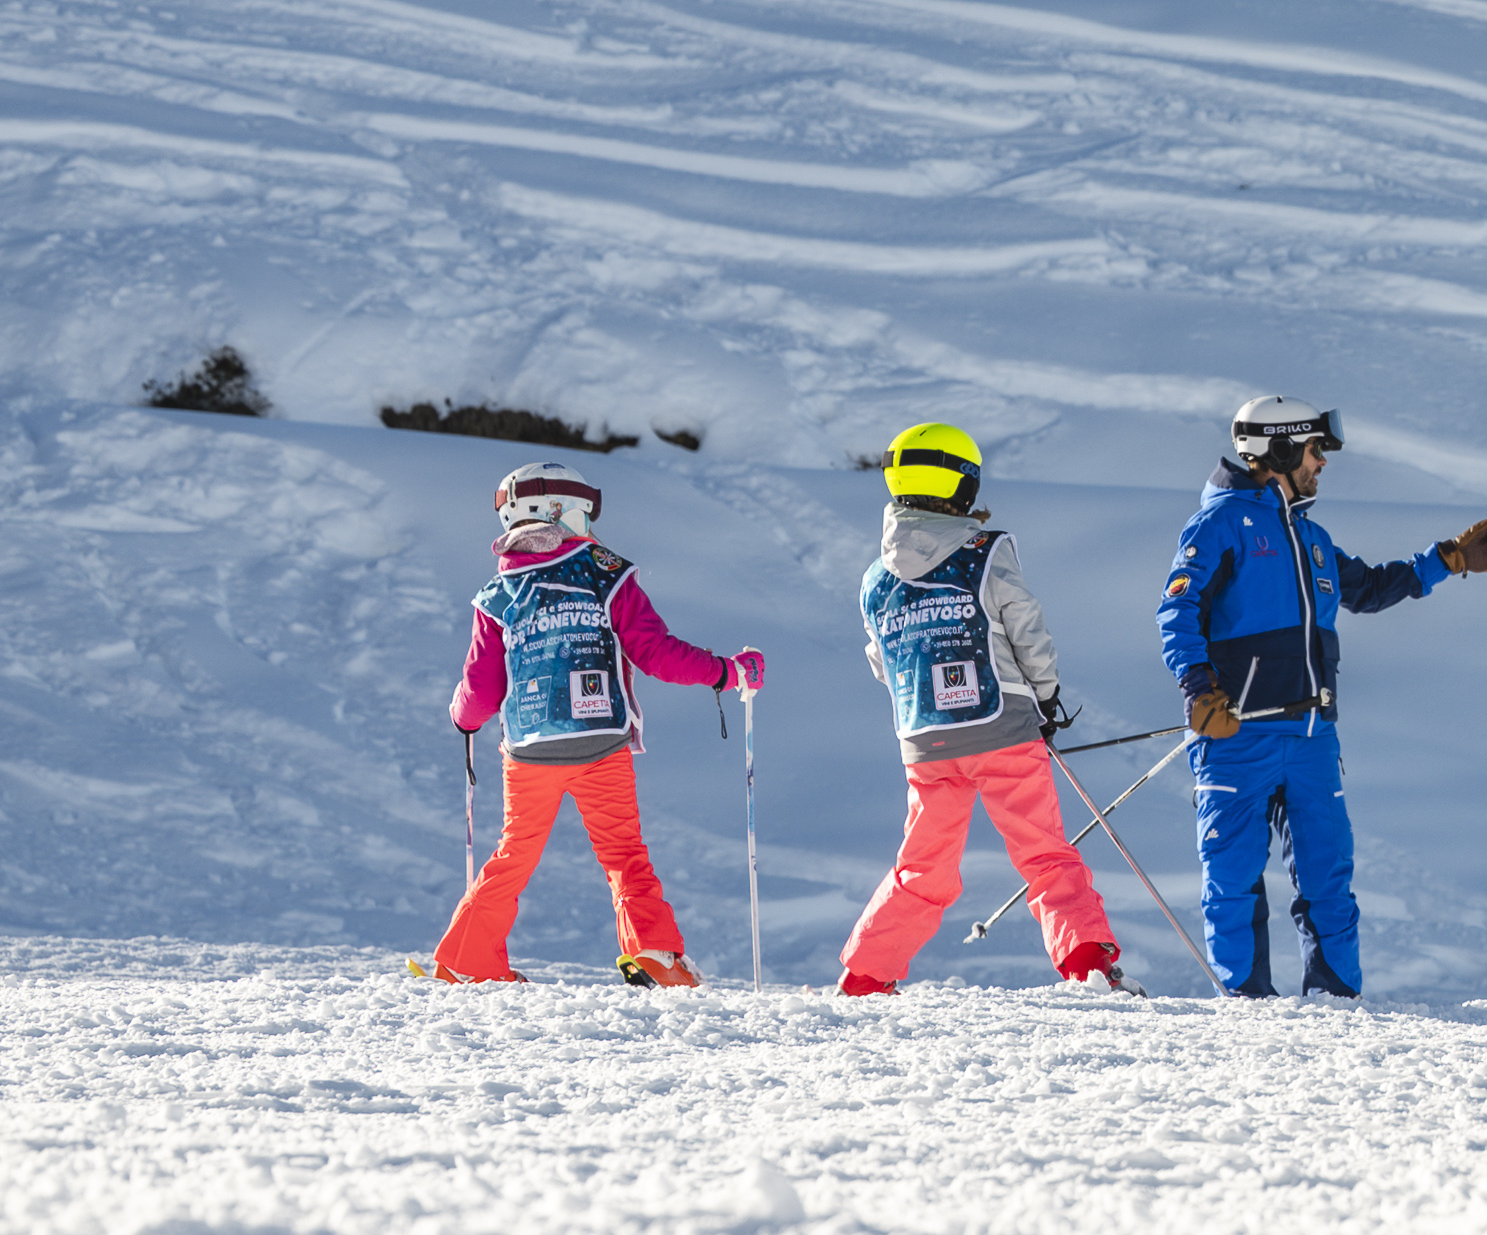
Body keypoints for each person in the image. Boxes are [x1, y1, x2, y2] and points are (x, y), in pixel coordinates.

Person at [1156, 394, 1487, 998]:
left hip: (1311, 738)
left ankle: (1335, 1006)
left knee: (1329, 878)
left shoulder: (1313, 536)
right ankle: (1247, 1009)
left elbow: (1371, 588)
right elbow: (1178, 607)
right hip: (1237, 735)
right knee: (1233, 881)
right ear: (1276, 449)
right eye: (1313, 449)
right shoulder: (1220, 524)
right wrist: (1198, 689)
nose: (1321, 462)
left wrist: (1449, 560)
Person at [431, 460, 759, 986]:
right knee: (624, 853)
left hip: (529, 749)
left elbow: (481, 692)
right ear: (566, 511)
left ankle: (464, 959)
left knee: (515, 852)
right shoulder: (607, 572)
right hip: (599, 740)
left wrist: (461, 717)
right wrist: (725, 671)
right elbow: (655, 653)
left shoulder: (496, 595)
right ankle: (654, 953)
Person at [832, 423, 1129, 996]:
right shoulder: (986, 553)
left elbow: (883, 662)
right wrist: (1044, 698)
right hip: (1002, 727)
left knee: (924, 865)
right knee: (1043, 852)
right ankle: (1088, 965)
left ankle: (867, 975)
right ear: (964, 484)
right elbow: (1027, 632)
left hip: (924, 740)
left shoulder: (875, 579)